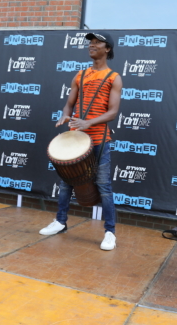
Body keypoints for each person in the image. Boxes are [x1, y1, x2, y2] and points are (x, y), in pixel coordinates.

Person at [39, 32, 123, 251]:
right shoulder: (80, 75)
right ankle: (60, 221)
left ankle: (110, 232)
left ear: (108, 49)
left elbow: (113, 112)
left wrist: (88, 123)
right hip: (76, 139)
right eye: (91, 42)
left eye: (97, 43)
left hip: (99, 140)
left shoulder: (114, 77)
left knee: (104, 187)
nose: (92, 45)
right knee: (66, 183)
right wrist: (64, 115)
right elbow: (69, 104)